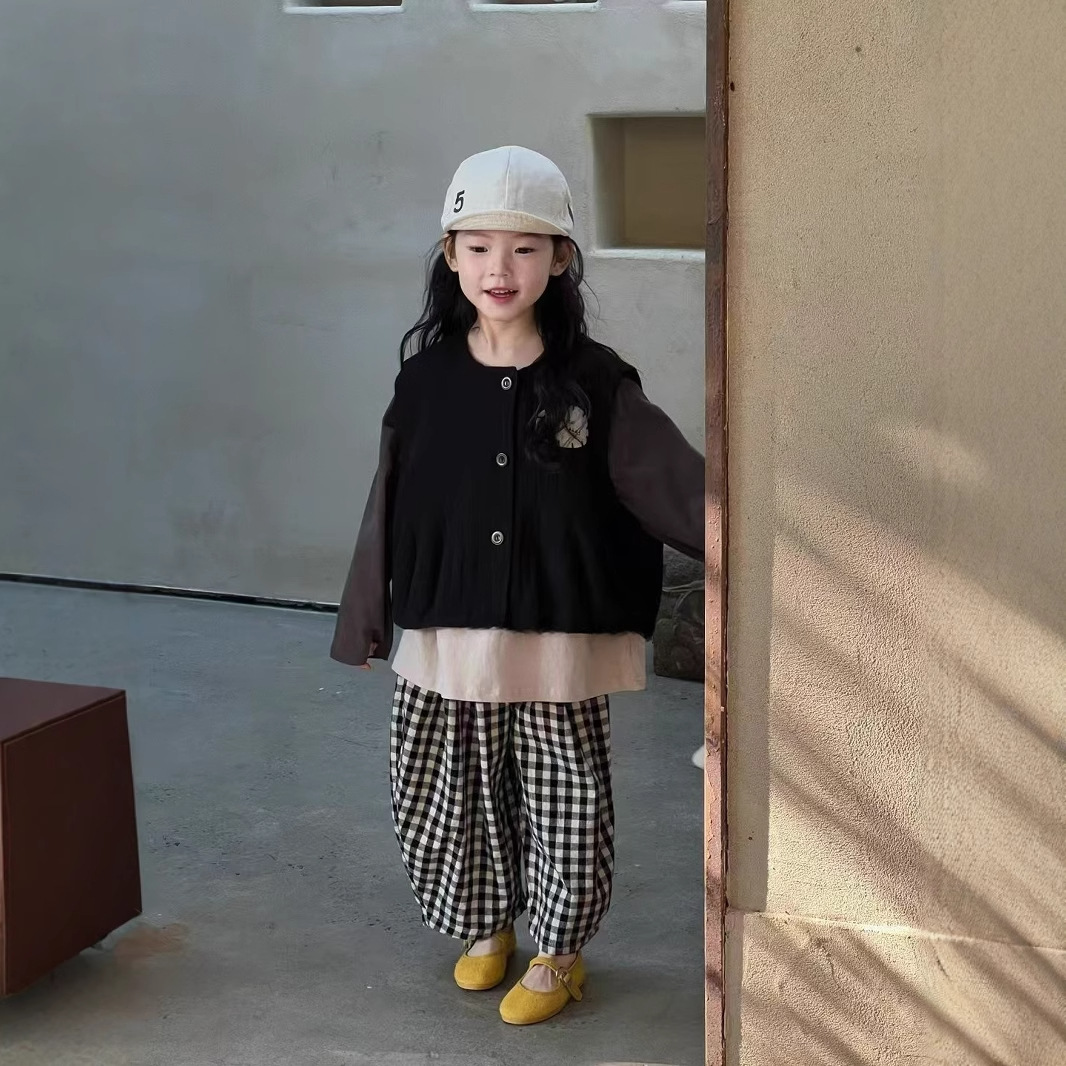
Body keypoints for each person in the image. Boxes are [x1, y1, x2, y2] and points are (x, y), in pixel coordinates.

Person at [330, 145, 703, 1026]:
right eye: (480, 247)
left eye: (526, 248)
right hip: (447, 627)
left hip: (559, 632)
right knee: (444, 787)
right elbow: (389, 500)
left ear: (561, 258)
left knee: (563, 793)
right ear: (450, 255)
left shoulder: (596, 381)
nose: (501, 269)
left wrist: (758, 552)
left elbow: (670, 484)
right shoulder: (424, 381)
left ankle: (560, 953)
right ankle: (485, 924)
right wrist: (366, 617)